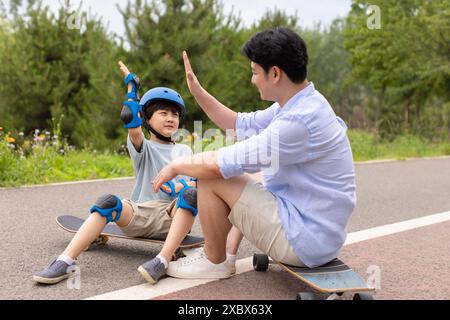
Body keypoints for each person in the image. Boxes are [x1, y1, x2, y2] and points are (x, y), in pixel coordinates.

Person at [151, 27, 357, 280]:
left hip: (305, 241)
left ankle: (215, 260)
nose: (252, 79)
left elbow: (222, 164)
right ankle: (225, 252)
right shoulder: (303, 102)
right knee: (239, 172)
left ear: (275, 73)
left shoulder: (298, 121)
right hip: (320, 233)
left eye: (254, 72)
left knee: (211, 175)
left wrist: (177, 165)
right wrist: (198, 93)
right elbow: (239, 124)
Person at [33, 61, 203, 285]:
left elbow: (196, 184)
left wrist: (177, 187)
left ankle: (162, 260)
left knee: (192, 195)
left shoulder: (184, 150)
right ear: (147, 119)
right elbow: (130, 121)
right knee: (107, 201)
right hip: (139, 214)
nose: (171, 118)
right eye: (163, 113)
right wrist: (132, 89)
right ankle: (65, 261)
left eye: (175, 114)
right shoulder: (143, 146)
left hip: (171, 219)